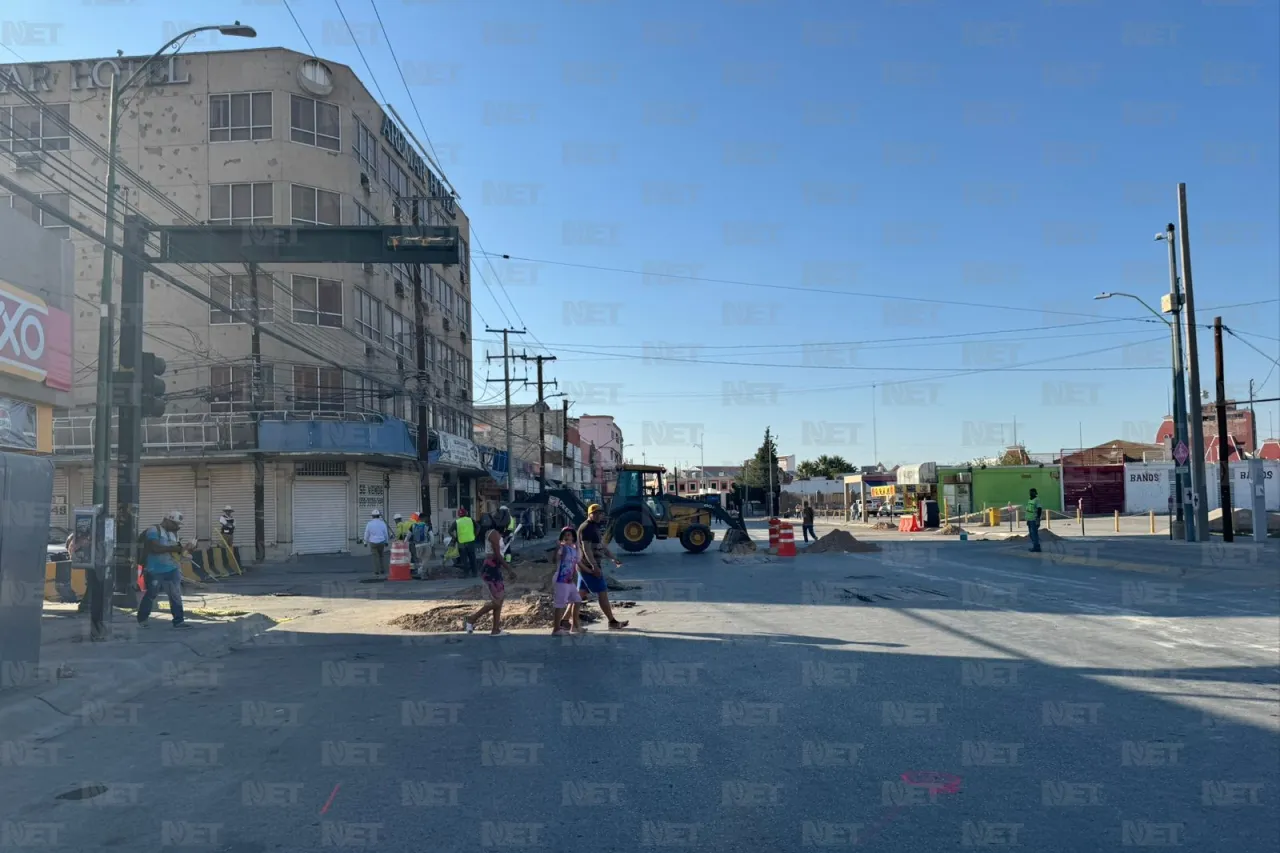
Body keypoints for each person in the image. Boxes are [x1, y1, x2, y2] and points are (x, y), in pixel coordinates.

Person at [137, 510, 193, 628]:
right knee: (151, 594)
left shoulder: (173, 534)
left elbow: (177, 552)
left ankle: (179, 621)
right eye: (175, 524)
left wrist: (187, 549)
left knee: (175, 595)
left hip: (172, 568)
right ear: (167, 520)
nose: (177, 527)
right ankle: (142, 619)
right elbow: (155, 548)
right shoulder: (153, 530)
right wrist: (174, 548)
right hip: (154, 570)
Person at [577, 504, 629, 630]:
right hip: (589, 567)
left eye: (600, 513)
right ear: (589, 514)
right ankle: (612, 621)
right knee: (602, 592)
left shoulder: (594, 526)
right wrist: (594, 566)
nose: (599, 515)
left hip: (586, 567)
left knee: (579, 595)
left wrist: (613, 557)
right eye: (595, 513)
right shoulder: (586, 528)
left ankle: (564, 620)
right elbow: (586, 549)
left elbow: (601, 545)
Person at [465, 513, 508, 635]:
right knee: (497, 601)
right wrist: (509, 569)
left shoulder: (491, 533)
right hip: (491, 568)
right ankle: (472, 618)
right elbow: (498, 555)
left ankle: (495, 629)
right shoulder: (493, 534)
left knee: (499, 598)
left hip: (493, 567)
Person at [550, 526, 584, 635]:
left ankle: (575, 626)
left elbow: (578, 560)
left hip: (569, 581)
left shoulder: (574, 550)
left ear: (573, 537)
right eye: (565, 534)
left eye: (569, 534)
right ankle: (556, 629)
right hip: (561, 579)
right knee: (560, 604)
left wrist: (578, 545)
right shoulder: (562, 548)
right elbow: (554, 559)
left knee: (577, 600)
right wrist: (557, 548)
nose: (567, 536)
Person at [362, 509, 391, 576]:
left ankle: (376, 571)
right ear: (379, 516)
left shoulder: (369, 524)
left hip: (373, 542)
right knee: (381, 556)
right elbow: (385, 533)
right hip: (381, 542)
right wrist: (386, 541)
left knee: (375, 557)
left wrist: (365, 542)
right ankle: (382, 570)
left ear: (372, 516)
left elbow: (366, 533)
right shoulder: (382, 523)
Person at [451, 507, 477, 576]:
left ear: (458, 515)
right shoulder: (471, 520)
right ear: (466, 513)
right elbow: (478, 527)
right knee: (472, 557)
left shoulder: (456, 522)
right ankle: (475, 573)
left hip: (461, 543)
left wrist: (455, 538)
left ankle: (466, 573)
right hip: (471, 541)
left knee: (464, 558)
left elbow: (449, 531)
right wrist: (475, 534)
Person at [1025, 488, 1043, 553]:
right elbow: (1028, 510)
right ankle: (1035, 546)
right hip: (1029, 519)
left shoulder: (1037, 500)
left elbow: (1039, 509)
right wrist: (1027, 520)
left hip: (1034, 519)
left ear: (1035, 493)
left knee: (1034, 533)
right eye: (1030, 492)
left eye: (1032, 492)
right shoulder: (1029, 500)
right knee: (1031, 534)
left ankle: (1036, 547)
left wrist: (1038, 519)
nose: (1031, 493)